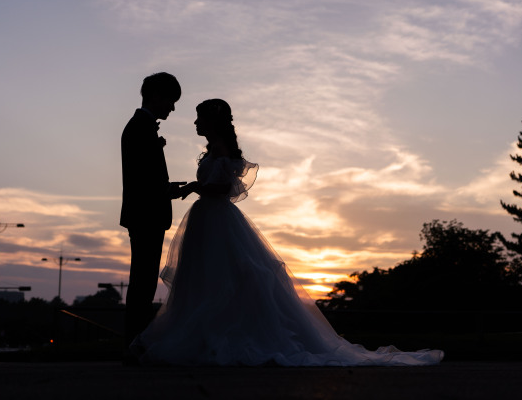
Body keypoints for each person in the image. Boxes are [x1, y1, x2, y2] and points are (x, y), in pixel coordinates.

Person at [131, 99, 443, 366]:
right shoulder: (213, 149)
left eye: (200, 117)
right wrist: (192, 187)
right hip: (204, 219)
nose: (196, 122)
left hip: (217, 220)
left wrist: (195, 187)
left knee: (226, 278)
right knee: (203, 279)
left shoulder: (224, 149)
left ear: (213, 121)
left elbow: (224, 188)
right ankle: (201, 336)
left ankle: (223, 338)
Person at [120, 72, 185, 360]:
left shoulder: (141, 126)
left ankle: (136, 341)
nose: (172, 108)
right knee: (143, 282)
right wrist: (168, 190)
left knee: (143, 280)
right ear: (157, 96)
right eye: (171, 101)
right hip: (146, 214)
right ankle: (134, 342)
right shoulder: (140, 128)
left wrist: (166, 188)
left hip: (144, 212)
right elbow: (143, 179)